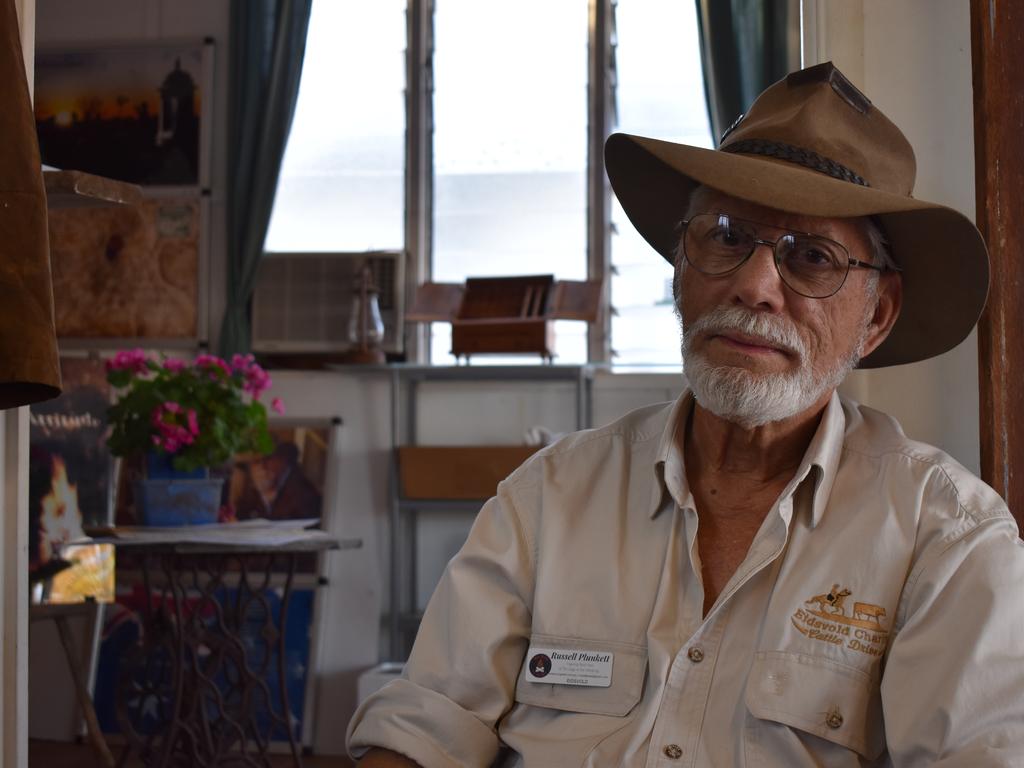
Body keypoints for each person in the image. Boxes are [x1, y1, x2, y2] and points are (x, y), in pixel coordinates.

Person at [347, 62, 1024, 767]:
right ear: (681, 265)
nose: (756, 285)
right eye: (727, 236)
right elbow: (424, 728)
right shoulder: (548, 498)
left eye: (813, 257)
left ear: (876, 317)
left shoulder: (946, 539)